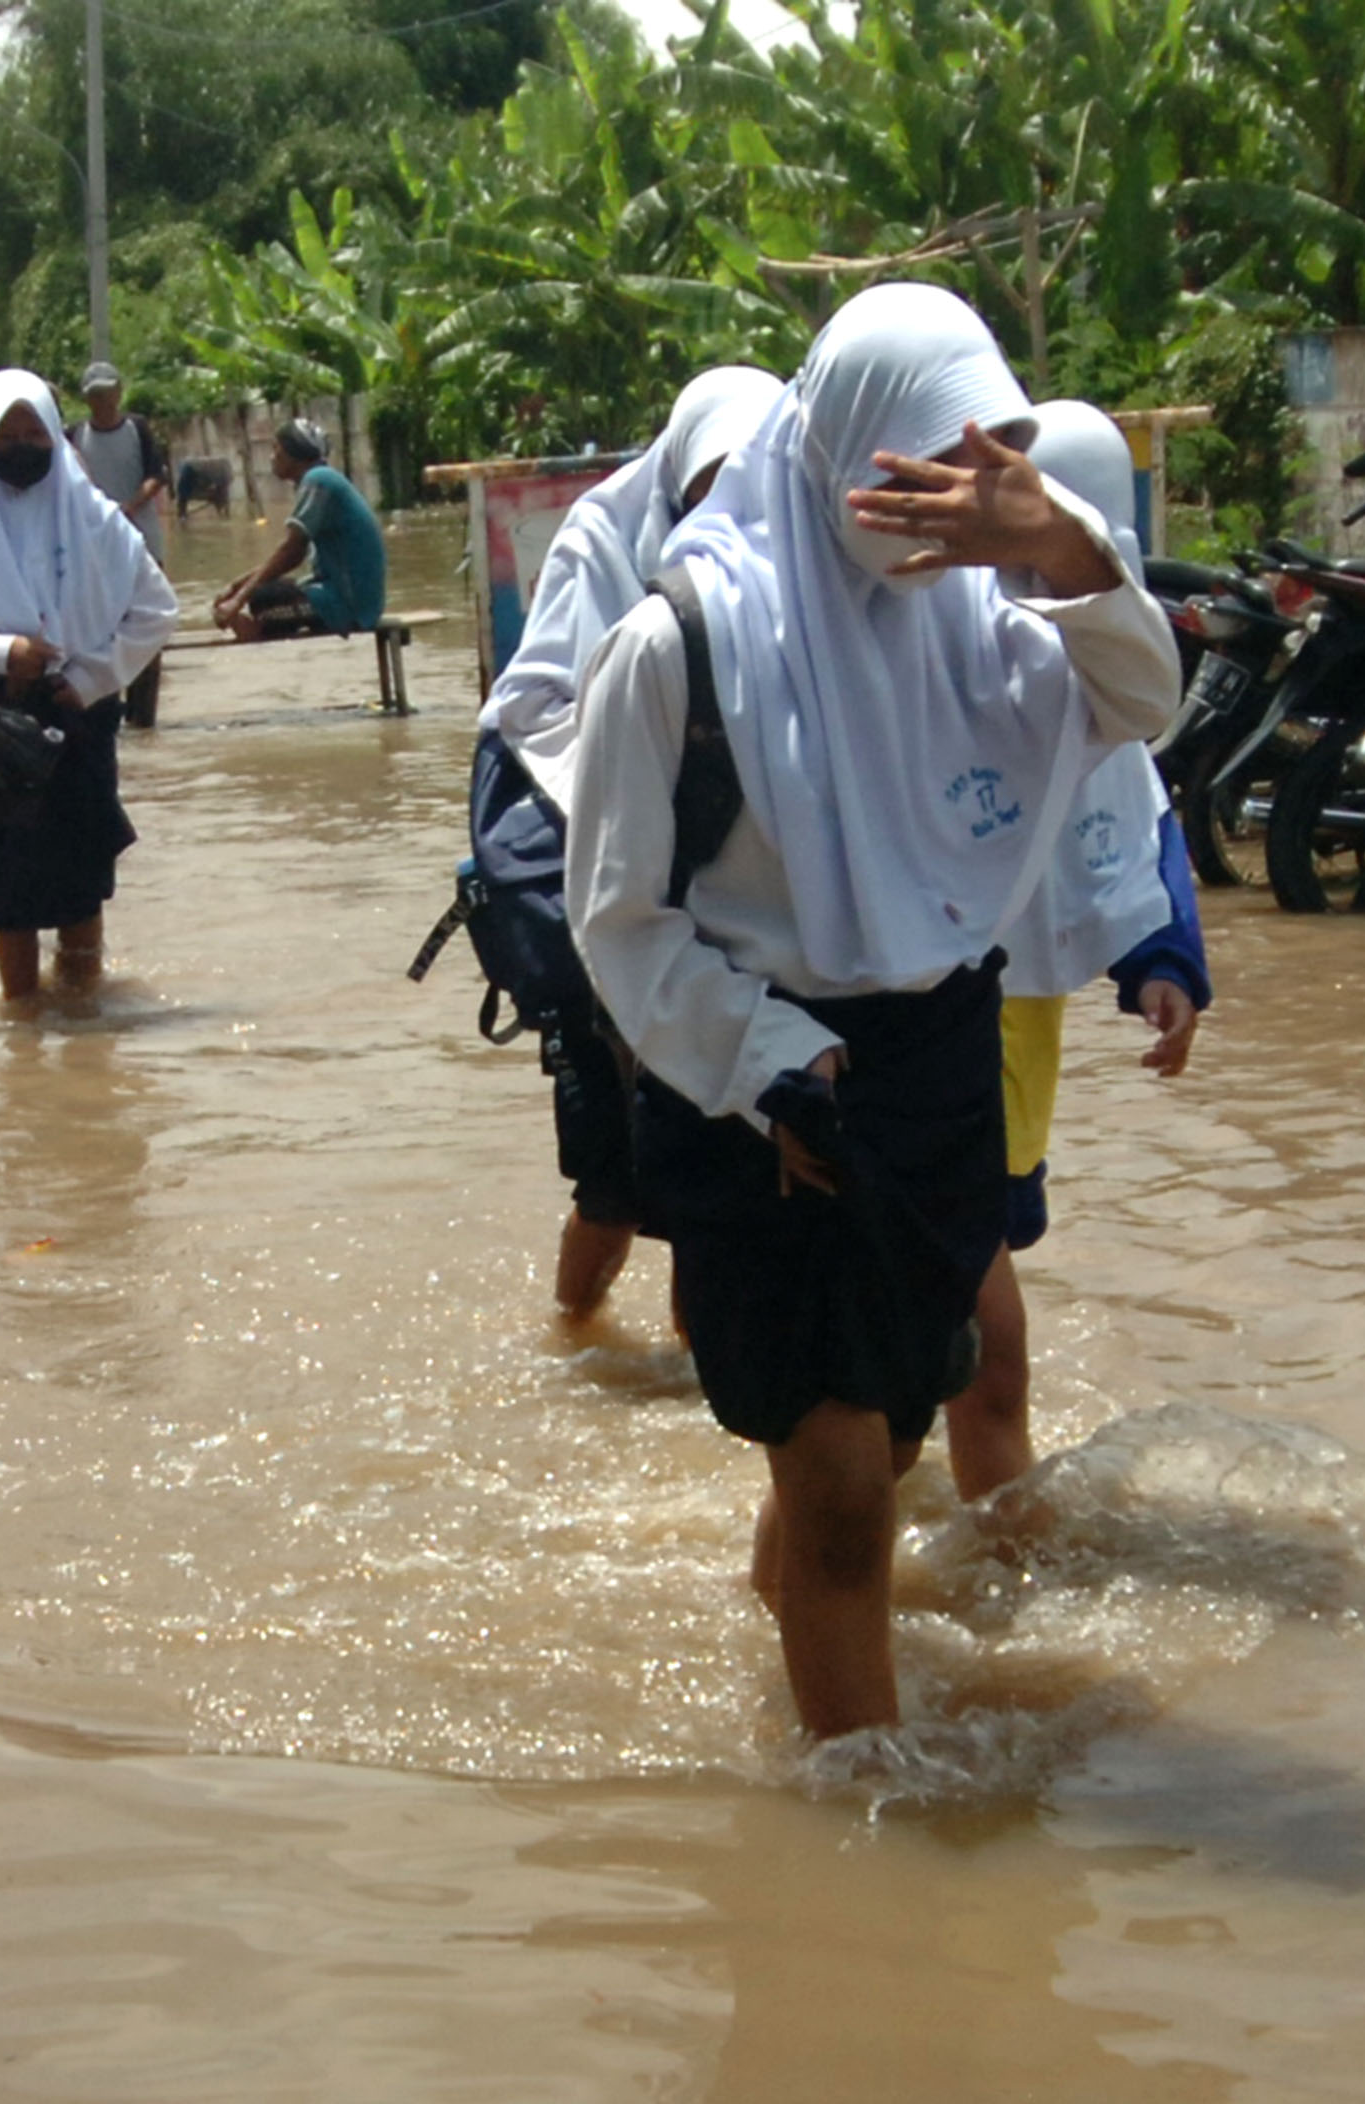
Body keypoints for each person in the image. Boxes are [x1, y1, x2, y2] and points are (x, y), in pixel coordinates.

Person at [561, 284, 1179, 1739]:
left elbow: (1147, 699)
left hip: (933, 1075)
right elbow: (618, 920)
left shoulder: (994, 624)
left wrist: (1069, 549)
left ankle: (782, 1620)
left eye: (982, 462)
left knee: (885, 1444)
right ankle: (868, 1832)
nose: (945, 501)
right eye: (914, 466)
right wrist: (769, 1060)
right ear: (833, 449)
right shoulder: (680, 644)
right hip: (756, 1081)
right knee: (843, 1486)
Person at [470, 364, 783, 1316]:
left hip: (734, 920)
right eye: (701, 497)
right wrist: (642, 784)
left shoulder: (799, 553)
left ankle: (700, 1391)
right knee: (610, 1194)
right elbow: (531, 711)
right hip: (603, 901)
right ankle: (573, 1352)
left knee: (718, 1198)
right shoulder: (603, 540)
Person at [944, 397, 1210, 1504]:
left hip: (1018, 1021)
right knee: (979, 1330)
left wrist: (1163, 965)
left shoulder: (1100, 662)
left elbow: (1137, 832)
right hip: (930, 1014)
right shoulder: (951, 653)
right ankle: (998, 1551)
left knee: (972, 1295)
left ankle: (971, 1542)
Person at [0, 369, 178, 1007]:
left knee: (81, 878)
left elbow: (156, 611)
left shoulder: (98, 519)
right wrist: (5, 652)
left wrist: (90, 677)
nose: (25, 444)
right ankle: (23, 1025)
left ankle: (85, 1014)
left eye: (37, 431)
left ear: (57, 435)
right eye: (9, 434)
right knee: (8, 894)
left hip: (79, 714)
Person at [66, 364, 173, 728]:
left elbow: (156, 476)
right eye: (95, 395)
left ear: (119, 393)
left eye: (107, 393)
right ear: (86, 399)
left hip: (141, 540)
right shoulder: (76, 436)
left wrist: (126, 509)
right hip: (94, 551)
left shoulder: (137, 429)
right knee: (99, 630)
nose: (102, 401)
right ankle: (104, 711)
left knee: (146, 626)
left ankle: (144, 720)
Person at [213, 418, 384, 640]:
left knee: (263, 600)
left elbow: (291, 551)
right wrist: (237, 587)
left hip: (349, 605)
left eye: (276, 449)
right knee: (268, 591)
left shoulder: (318, 480)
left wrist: (238, 599)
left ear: (293, 453)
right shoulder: (321, 479)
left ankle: (254, 628)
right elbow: (294, 555)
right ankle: (256, 624)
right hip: (350, 598)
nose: (272, 457)